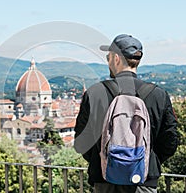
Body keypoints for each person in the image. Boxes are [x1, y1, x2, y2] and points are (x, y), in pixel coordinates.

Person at [74, 34, 178, 193]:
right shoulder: (158, 95)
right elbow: (170, 142)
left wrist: (103, 160)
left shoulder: (94, 93)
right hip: (143, 181)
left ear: (116, 58)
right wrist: (146, 161)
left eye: (108, 56)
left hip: (104, 181)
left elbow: (81, 143)